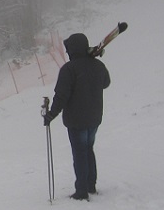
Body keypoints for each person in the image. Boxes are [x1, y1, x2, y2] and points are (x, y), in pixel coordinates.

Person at [43, 32, 111, 201]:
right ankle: (90, 185)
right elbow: (106, 83)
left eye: (68, 49)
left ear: (73, 49)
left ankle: (81, 191)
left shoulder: (69, 69)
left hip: (76, 119)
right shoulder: (98, 65)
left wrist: (51, 114)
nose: (67, 52)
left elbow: (61, 96)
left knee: (80, 153)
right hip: (94, 117)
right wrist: (92, 60)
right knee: (88, 149)